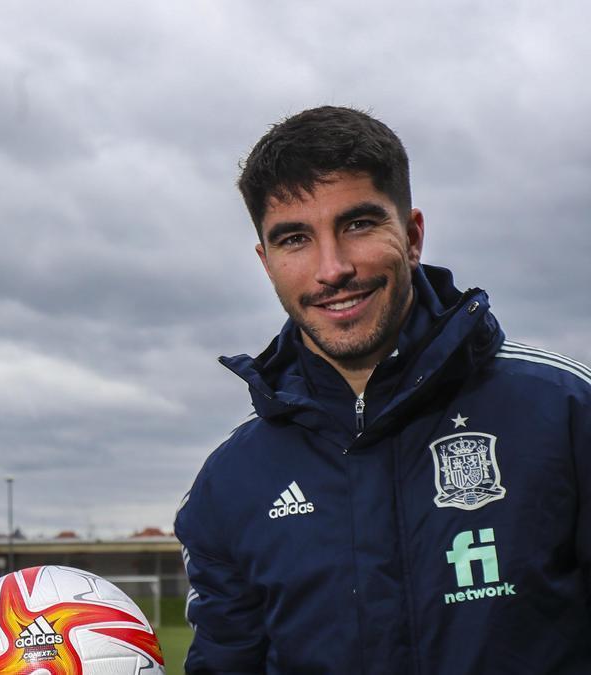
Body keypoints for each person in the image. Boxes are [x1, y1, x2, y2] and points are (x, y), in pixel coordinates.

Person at [174, 106, 591, 674]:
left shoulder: (563, 410)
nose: (332, 268)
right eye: (295, 239)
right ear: (266, 262)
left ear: (412, 235)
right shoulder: (229, 486)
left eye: (358, 224)